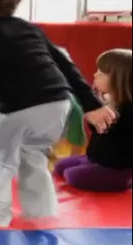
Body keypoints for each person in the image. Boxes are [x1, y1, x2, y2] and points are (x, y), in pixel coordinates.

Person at [0, 0, 118, 228]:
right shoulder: (29, 28)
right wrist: (91, 105)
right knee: (33, 153)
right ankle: (41, 209)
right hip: (58, 104)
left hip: (19, 107)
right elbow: (65, 65)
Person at [54, 49, 132, 192]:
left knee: (72, 176)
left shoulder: (128, 109)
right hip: (96, 159)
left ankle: (126, 181)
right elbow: (97, 131)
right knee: (60, 167)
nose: (95, 74)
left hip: (115, 168)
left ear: (118, 78)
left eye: (101, 73)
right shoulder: (105, 102)